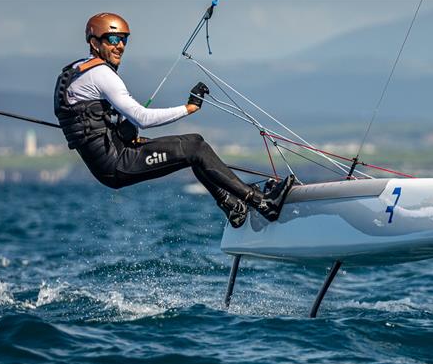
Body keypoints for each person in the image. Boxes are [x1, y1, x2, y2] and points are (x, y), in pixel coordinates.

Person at [54, 12, 293, 228]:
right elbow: (142, 117)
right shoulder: (101, 74)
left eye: (124, 40)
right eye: (113, 40)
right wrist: (188, 108)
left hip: (114, 158)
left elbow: (85, 120)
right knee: (194, 148)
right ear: (94, 43)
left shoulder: (75, 71)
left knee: (194, 144)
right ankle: (263, 203)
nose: (121, 46)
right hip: (117, 165)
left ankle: (232, 206)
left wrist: (119, 132)